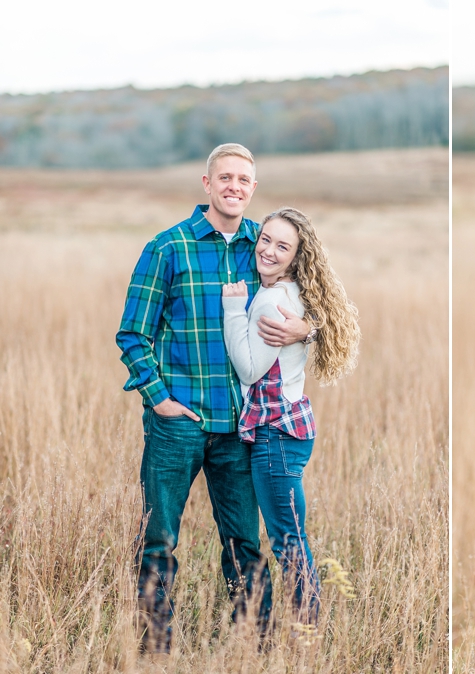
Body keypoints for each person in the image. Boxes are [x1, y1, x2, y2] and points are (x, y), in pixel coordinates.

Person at [116, 143, 311, 653]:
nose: (235, 187)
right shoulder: (168, 247)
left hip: (240, 428)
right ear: (207, 183)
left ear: (253, 188)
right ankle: (156, 646)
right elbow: (133, 335)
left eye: (244, 180)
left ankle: (255, 642)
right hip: (178, 422)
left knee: (244, 544)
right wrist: (159, 399)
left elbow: (316, 302)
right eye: (225, 178)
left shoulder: (263, 248)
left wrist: (307, 329)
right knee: (159, 540)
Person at [222, 207, 359, 624]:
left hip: (275, 436)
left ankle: (307, 637)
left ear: (297, 257)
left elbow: (248, 368)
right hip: (289, 427)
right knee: (291, 538)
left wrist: (232, 308)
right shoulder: (295, 292)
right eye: (265, 239)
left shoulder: (271, 301)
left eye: (283, 246)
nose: (268, 250)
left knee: (288, 544)